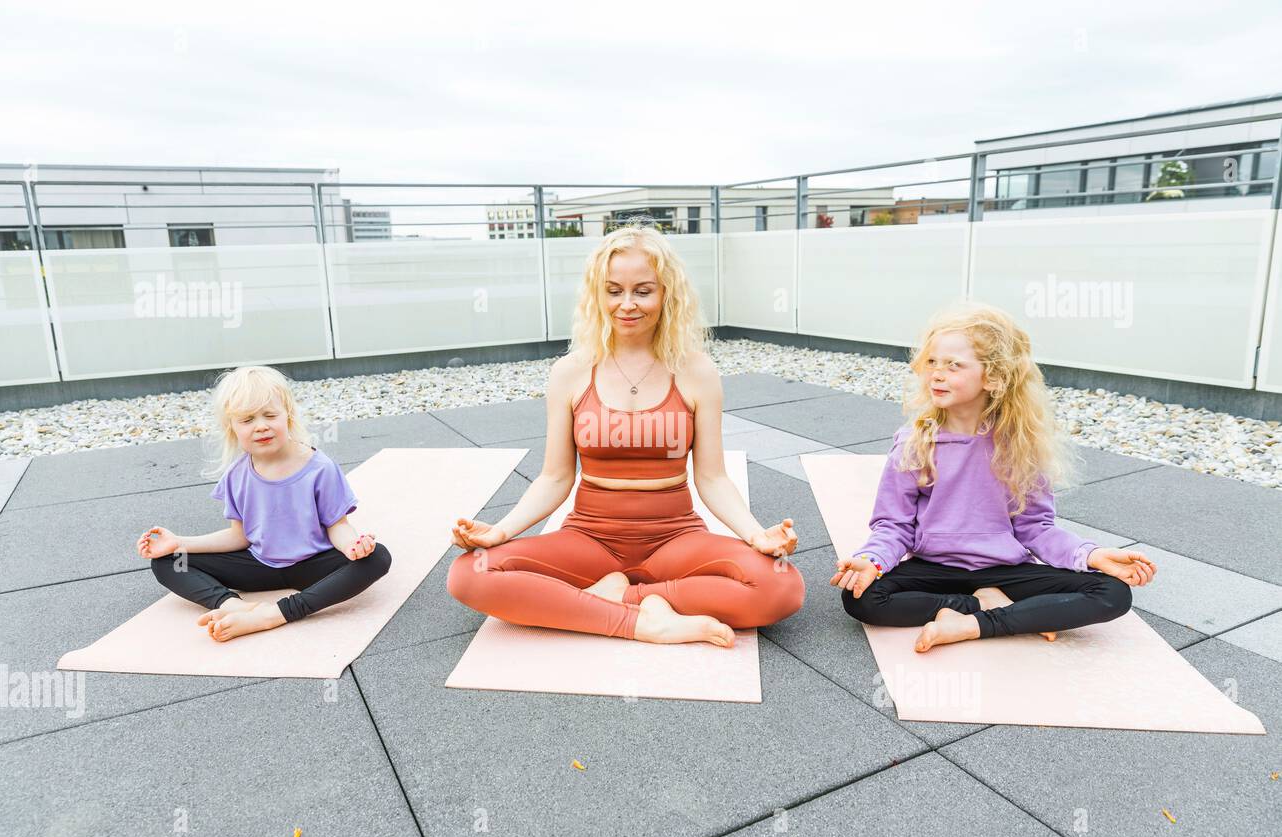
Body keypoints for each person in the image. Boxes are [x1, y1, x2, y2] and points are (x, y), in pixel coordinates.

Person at [446, 222, 805, 647]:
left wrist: (755, 534)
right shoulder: (570, 372)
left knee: (782, 585)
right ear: (598, 295)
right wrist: (501, 532)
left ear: (666, 293)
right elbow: (555, 477)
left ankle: (624, 596)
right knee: (470, 573)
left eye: (643, 290)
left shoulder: (697, 371)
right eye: (614, 290)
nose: (628, 304)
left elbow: (711, 477)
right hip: (589, 538)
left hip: (675, 538)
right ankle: (644, 622)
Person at [833, 302, 1156, 653]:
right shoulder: (915, 441)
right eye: (931, 363)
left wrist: (1092, 556)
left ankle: (970, 624)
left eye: (954, 365)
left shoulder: (1021, 445)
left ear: (993, 377)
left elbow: (1036, 529)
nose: (937, 374)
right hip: (935, 569)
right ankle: (989, 608)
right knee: (860, 598)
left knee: (1112, 593)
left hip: (1006, 570)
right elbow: (893, 525)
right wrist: (871, 562)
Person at [139, 365, 390, 642]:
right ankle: (235, 608)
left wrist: (353, 547)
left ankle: (273, 615)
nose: (261, 426)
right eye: (247, 420)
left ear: (288, 416)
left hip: (313, 565)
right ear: (232, 428)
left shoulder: (319, 468)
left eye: (270, 415)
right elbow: (240, 536)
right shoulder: (237, 475)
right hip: (258, 566)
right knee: (167, 562)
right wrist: (179, 543)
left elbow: (338, 526)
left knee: (377, 557)